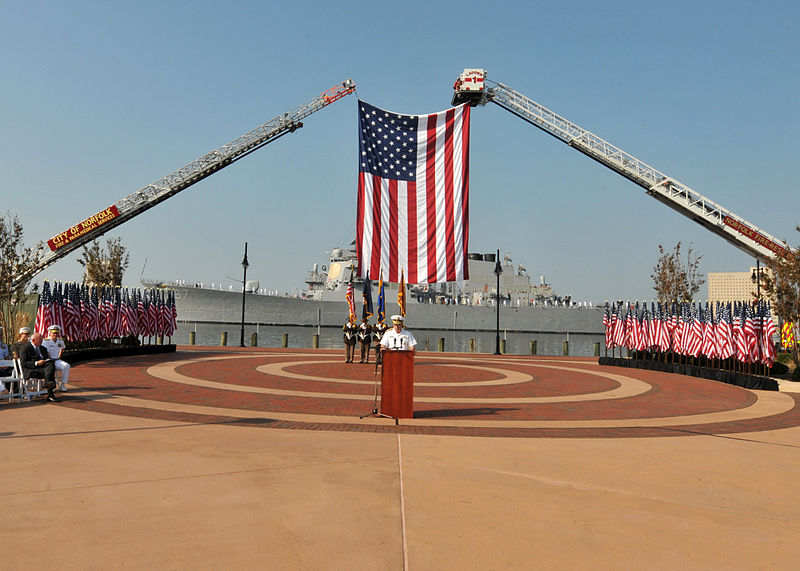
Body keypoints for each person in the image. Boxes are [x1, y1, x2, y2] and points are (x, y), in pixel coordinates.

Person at [19, 331, 59, 402]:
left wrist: (44, 361)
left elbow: (47, 360)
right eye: (40, 340)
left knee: (50, 364)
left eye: (42, 340)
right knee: (49, 373)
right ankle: (50, 394)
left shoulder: (43, 349)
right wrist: (36, 363)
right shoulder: (26, 348)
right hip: (31, 370)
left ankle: (48, 385)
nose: (42, 341)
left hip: (43, 369)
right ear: (33, 340)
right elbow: (24, 363)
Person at [42, 324, 70, 392]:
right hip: (49, 361)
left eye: (57, 333)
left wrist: (59, 356)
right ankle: (50, 386)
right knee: (50, 369)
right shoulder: (46, 341)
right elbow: (46, 353)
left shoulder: (60, 340)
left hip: (57, 360)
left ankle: (63, 384)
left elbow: (62, 348)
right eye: (54, 333)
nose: (55, 334)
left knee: (66, 366)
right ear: (50, 333)